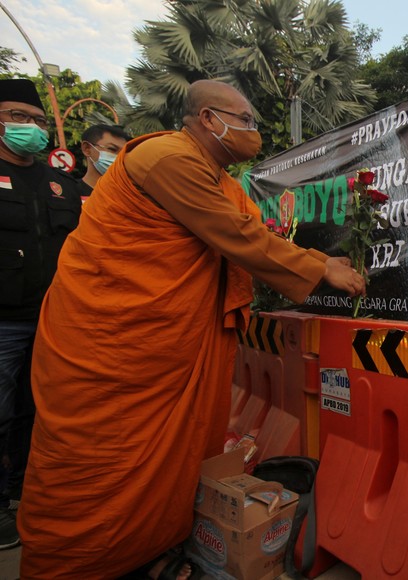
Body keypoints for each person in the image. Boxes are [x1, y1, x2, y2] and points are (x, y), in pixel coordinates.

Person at [17, 79, 366, 578]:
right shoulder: (167, 158)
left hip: (165, 347)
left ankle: (145, 551)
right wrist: (320, 269)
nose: (253, 131)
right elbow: (236, 236)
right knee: (96, 465)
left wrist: (310, 257)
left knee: (169, 463)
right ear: (207, 119)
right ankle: (76, 564)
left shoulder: (221, 181)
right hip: (112, 345)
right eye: (244, 120)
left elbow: (253, 233)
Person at [0, 78, 85, 551]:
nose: (28, 128)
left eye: (34, 120)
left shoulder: (61, 185)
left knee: (45, 412)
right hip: (4, 320)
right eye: (17, 117)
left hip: (55, 320)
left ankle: (28, 495)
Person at [78, 123, 130, 199]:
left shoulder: (128, 197)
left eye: (123, 153)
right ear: (87, 149)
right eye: (112, 149)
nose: (119, 157)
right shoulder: (69, 193)